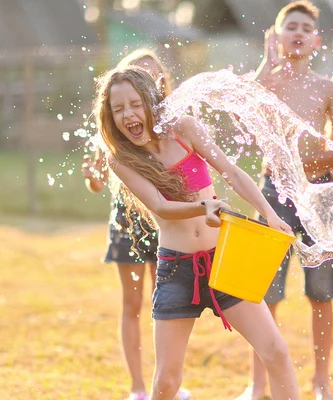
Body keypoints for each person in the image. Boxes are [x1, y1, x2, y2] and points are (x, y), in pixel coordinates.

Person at [94, 65, 300, 400]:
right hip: (178, 270)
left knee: (275, 351)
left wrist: (270, 214)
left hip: (225, 262)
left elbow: (231, 172)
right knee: (166, 383)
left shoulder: (184, 129)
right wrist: (203, 208)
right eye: (118, 109)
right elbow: (159, 206)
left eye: (134, 104)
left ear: (150, 100)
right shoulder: (122, 160)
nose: (128, 114)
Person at [238, 2, 333, 399]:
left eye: (306, 28)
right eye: (291, 27)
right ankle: (258, 384)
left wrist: (299, 164)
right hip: (272, 195)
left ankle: (322, 380)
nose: (299, 33)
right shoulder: (267, 83)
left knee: (321, 292)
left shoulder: (327, 89)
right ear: (277, 35)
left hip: (316, 196)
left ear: (317, 40)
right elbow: (243, 108)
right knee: (262, 293)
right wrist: (266, 64)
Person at [81, 49, 191, 400]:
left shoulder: (173, 123)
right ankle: (139, 388)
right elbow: (98, 181)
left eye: (152, 74)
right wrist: (93, 178)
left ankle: (166, 381)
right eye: (137, 72)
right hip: (129, 223)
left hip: (168, 224)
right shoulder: (117, 125)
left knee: (167, 306)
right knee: (132, 305)